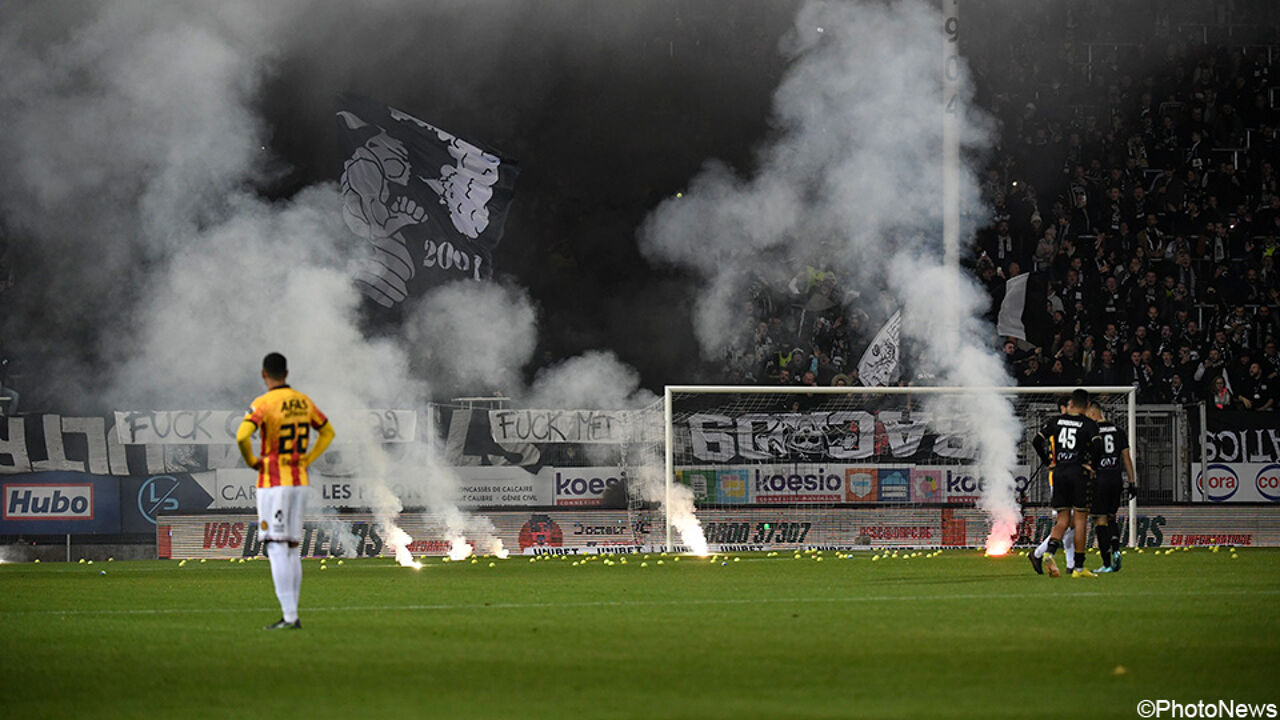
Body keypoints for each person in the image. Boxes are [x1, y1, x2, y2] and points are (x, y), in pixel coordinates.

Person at [236, 352, 335, 630]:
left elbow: (242, 435)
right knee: (291, 546)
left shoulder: (264, 403)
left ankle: (290, 617)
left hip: (273, 483)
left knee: (276, 547)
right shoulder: (304, 402)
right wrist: (308, 458)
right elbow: (327, 432)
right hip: (299, 480)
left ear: (264, 375)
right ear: (287, 373)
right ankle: (291, 615)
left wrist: (252, 461)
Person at [1028, 388, 1102, 578]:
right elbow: (1098, 446)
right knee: (1079, 521)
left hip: (1059, 473)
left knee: (1062, 520)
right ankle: (1078, 568)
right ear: (1086, 405)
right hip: (1078, 473)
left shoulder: (1056, 421)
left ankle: (1048, 553)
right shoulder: (1088, 424)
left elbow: (1036, 441)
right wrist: (1091, 465)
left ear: (1071, 403)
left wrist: (1048, 462)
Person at [1084, 403, 1137, 573]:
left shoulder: (1091, 431)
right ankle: (1116, 549)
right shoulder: (1119, 431)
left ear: (1093, 412)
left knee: (1099, 520)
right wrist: (1132, 482)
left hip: (1100, 479)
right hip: (1116, 479)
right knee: (1111, 517)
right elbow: (1126, 458)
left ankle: (1106, 563)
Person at [1029, 398, 1076, 577]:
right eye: (1070, 405)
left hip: (1070, 477)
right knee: (1066, 522)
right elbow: (1036, 441)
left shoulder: (1074, 425)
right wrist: (1047, 461)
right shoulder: (1055, 423)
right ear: (1063, 408)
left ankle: (1069, 564)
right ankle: (1040, 553)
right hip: (1058, 478)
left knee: (1071, 523)